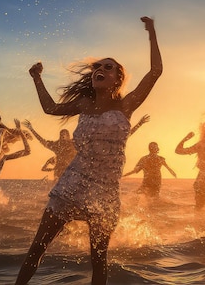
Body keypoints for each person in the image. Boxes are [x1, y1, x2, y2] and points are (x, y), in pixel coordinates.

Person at [16, 16, 162, 285]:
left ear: (118, 78)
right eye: (98, 67)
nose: (100, 69)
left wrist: (151, 31)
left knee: (98, 258)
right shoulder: (83, 104)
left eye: (108, 67)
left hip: (105, 192)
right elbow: (49, 108)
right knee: (37, 249)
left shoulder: (126, 106)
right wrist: (36, 77)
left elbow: (155, 72)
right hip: (71, 185)